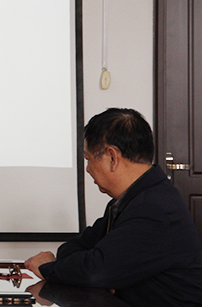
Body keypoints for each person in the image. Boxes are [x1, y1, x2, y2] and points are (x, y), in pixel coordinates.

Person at [25, 108, 202, 307]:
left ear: (112, 157)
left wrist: (49, 267)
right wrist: (104, 275)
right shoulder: (131, 200)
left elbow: (94, 272)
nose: (88, 169)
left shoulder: (154, 208)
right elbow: (73, 248)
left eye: (89, 159)